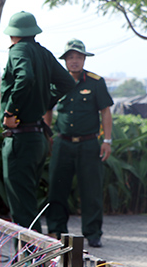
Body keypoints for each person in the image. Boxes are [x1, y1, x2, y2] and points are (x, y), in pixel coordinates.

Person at [0, 11, 75, 233]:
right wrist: (43, 103)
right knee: (28, 202)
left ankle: (31, 263)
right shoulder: (43, 53)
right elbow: (66, 83)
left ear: (13, 35)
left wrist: (11, 111)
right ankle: (31, 262)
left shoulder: (18, 50)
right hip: (36, 138)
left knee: (21, 209)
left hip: (20, 138)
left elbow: (26, 77)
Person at [46, 39, 113, 248]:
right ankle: (57, 231)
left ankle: (93, 233)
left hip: (89, 144)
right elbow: (48, 108)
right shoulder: (56, 82)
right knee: (57, 188)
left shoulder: (95, 82)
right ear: (65, 60)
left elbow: (105, 112)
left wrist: (107, 140)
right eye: (70, 57)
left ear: (84, 59)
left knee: (91, 190)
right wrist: (48, 135)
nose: (74, 61)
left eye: (78, 57)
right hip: (62, 143)